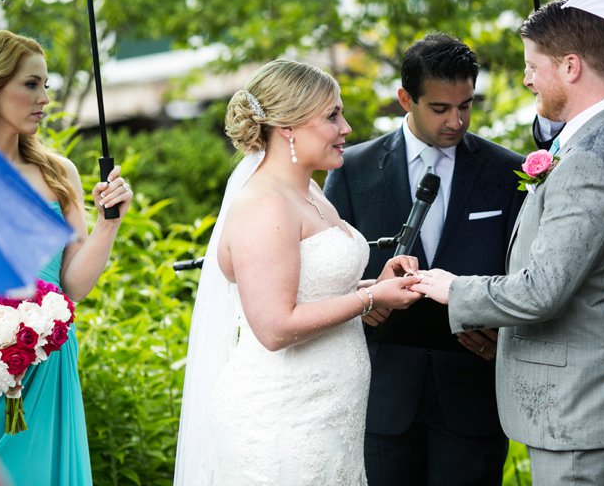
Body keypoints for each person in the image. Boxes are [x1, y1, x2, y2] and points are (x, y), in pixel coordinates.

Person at [414, 0, 604, 485]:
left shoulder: (590, 157)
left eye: (533, 66)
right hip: (602, 399)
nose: (527, 79)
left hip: (581, 412)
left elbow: (541, 291)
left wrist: (453, 289)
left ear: (570, 66)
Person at [173, 59, 423, 486]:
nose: (346, 128)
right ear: (287, 126)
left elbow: (311, 290)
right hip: (281, 422)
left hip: (327, 417)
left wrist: (375, 284)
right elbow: (274, 326)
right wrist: (371, 300)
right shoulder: (264, 205)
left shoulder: (308, 189)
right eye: (332, 116)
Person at [323, 33, 524, 485]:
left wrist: (506, 338)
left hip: (473, 390)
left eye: (466, 105)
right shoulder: (351, 170)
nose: (457, 120)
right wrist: (367, 302)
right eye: (440, 108)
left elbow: (523, 277)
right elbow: (332, 274)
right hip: (383, 393)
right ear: (404, 99)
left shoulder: (505, 170)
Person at [0, 29, 133, 485]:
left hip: (48, 365)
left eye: (46, 84)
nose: (44, 97)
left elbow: (74, 287)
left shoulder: (57, 171)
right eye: (31, 84)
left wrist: (109, 223)